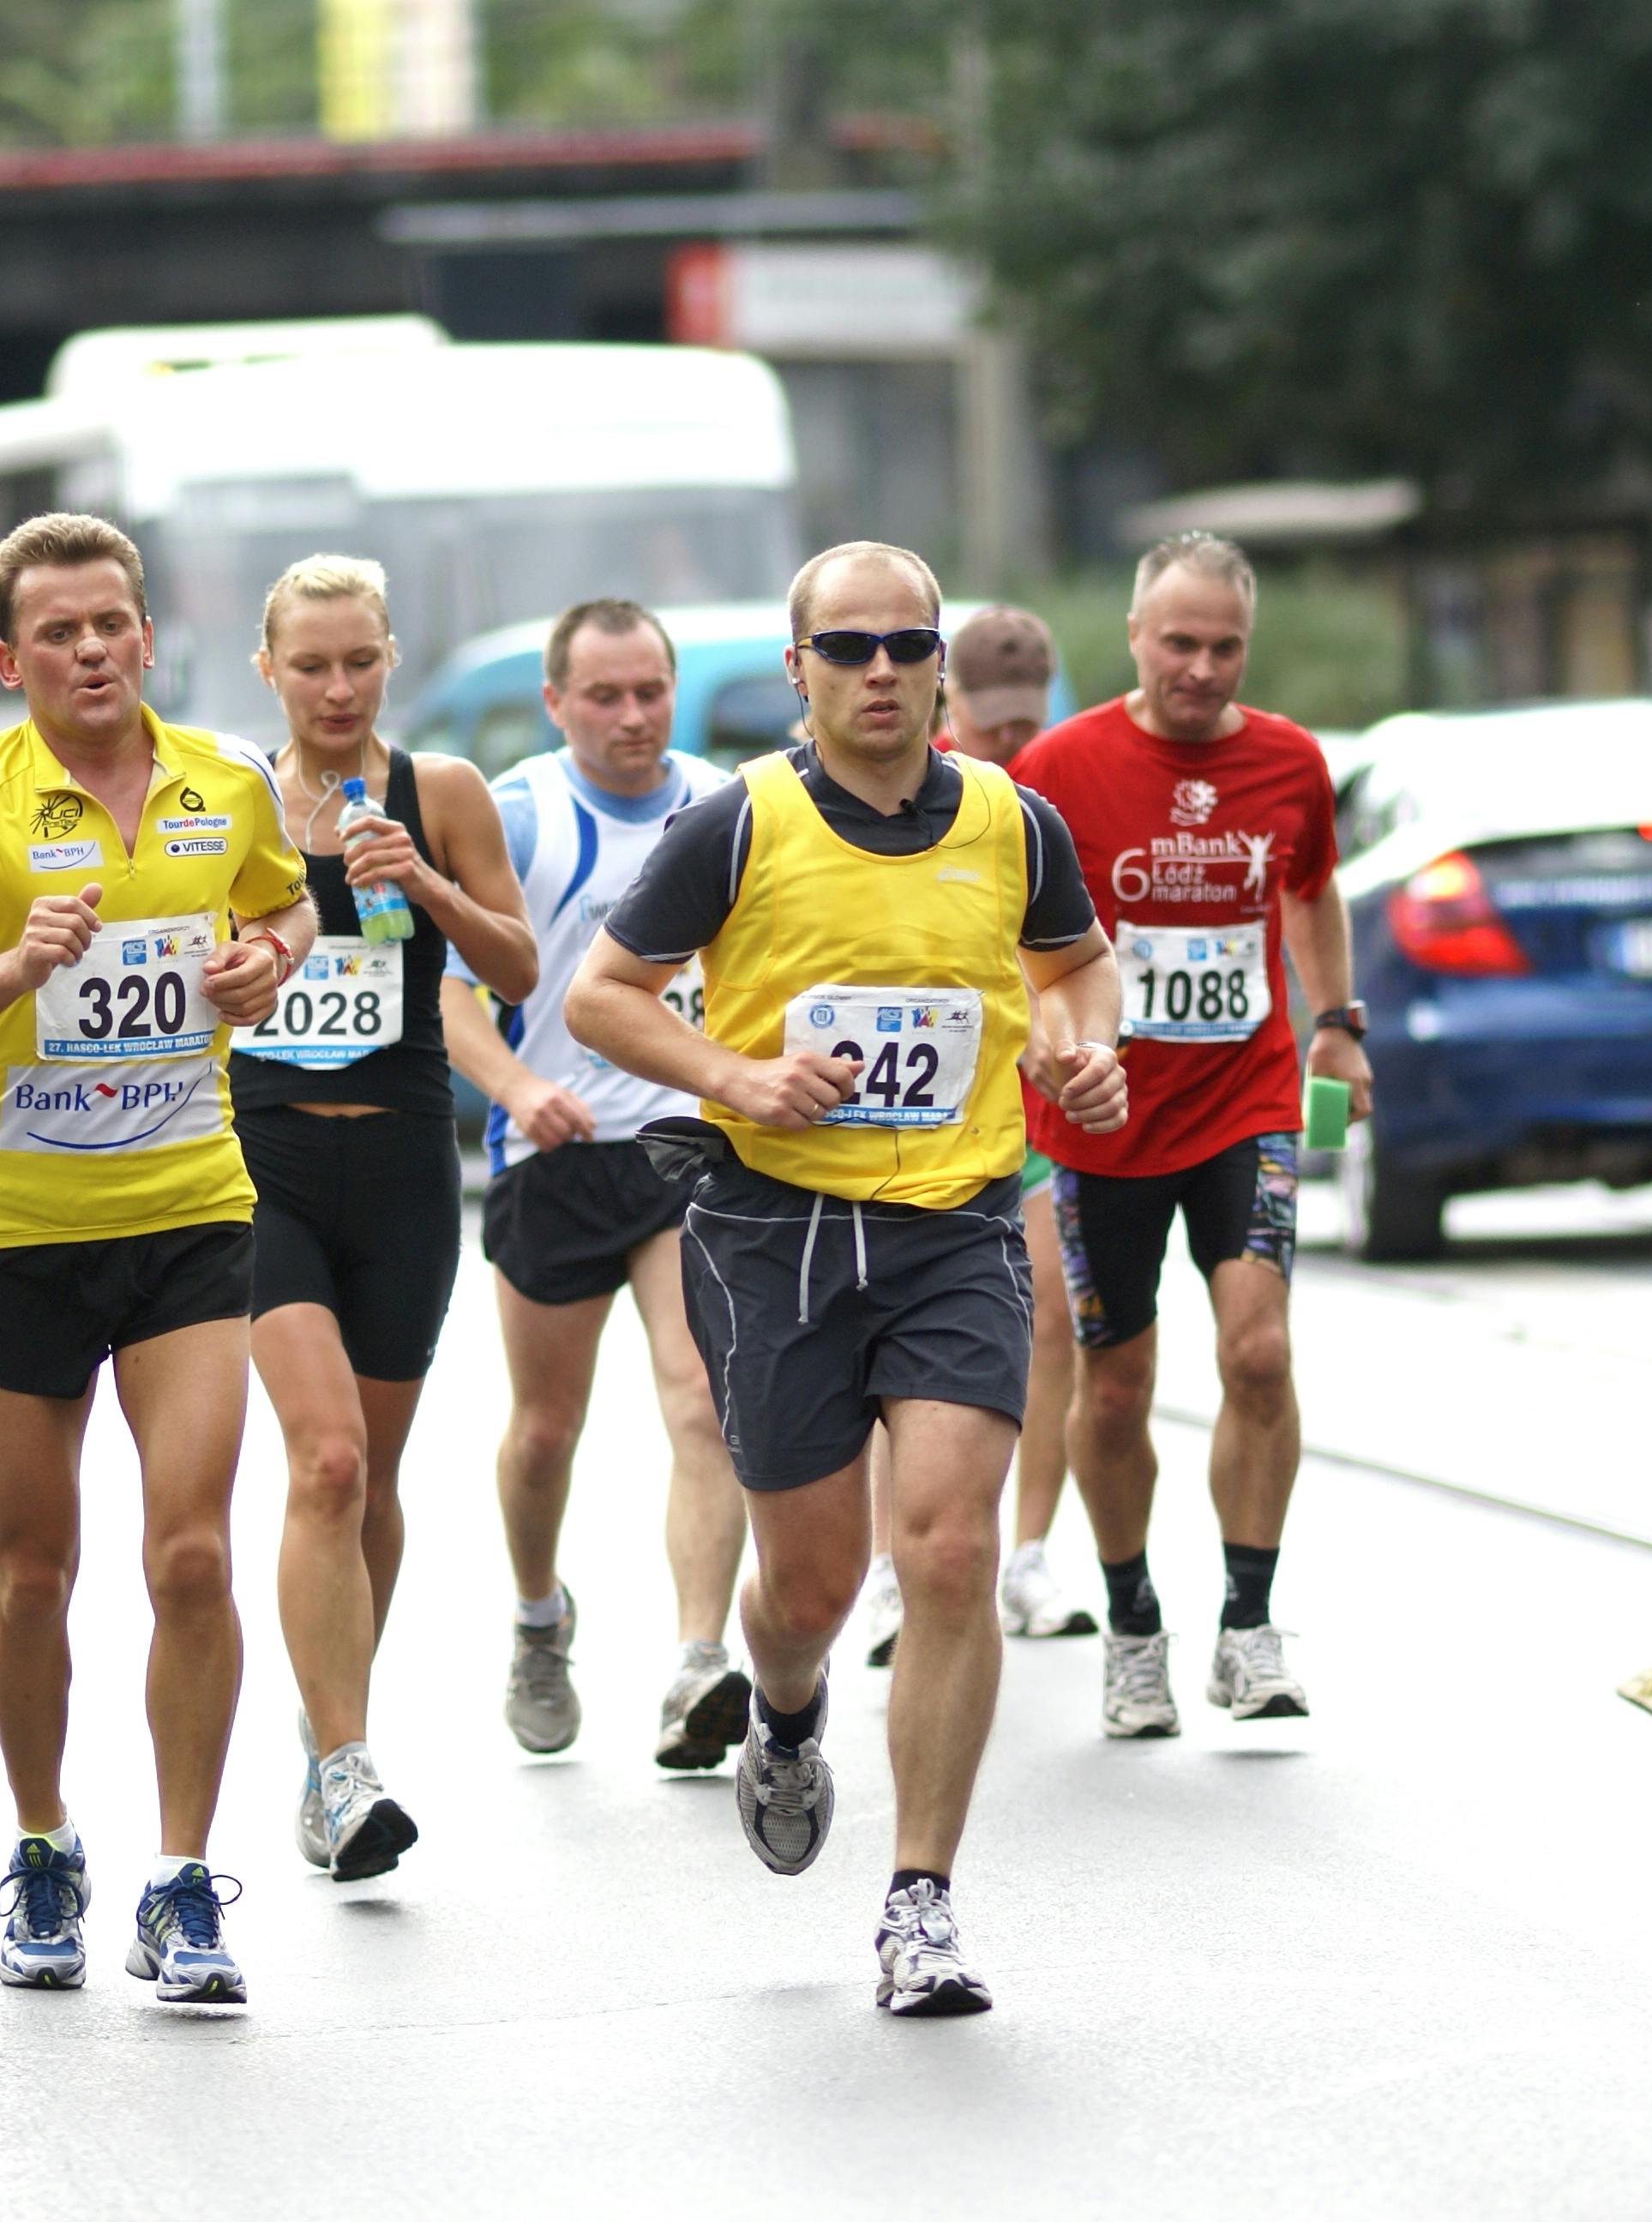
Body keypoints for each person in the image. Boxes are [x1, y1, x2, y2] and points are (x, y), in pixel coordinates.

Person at [565, 540, 1127, 2018]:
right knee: (806, 1587)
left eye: (905, 644)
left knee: (945, 1553)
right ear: (801, 670)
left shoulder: (1012, 819)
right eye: (848, 647)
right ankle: (789, 1710)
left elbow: (1076, 962)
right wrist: (735, 1074)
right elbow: (599, 995)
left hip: (955, 1224)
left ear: (941, 663)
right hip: (777, 1235)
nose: (880, 670)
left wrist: (1085, 1042)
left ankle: (920, 1901)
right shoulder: (734, 822)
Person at [0, 512, 316, 2002]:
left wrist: (275, 955)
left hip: (188, 1207)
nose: (90, 649)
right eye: (57, 632)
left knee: (190, 1549)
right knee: (31, 1568)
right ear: (10, 659)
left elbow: (283, 898)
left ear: (146, 633)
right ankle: (45, 1840)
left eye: (111, 622)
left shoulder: (225, 779)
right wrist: (16, 967)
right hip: (20, 1231)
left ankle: (183, 1883)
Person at [1006, 531, 1373, 1737]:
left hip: (1248, 1104)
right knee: (1114, 1393)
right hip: (1106, 1121)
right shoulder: (1062, 767)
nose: (1202, 670)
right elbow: (1015, 936)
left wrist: (1337, 1027)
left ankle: (1251, 1626)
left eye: (1225, 647)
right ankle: (1133, 1626)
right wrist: (1052, 1044)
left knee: (1259, 1353)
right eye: (1180, 644)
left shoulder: (1289, 763)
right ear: (1134, 638)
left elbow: (1311, 888)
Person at [230, 555, 534, 1883]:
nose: (338, 687)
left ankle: (326, 1723)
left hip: (405, 1164)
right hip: (260, 1164)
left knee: (377, 1481)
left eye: (359, 661)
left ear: (391, 657)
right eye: (312, 664)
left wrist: (433, 887)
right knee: (327, 1463)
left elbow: (520, 970)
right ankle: (350, 1770)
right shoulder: (223, 799)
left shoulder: (443, 793)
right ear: (268, 671)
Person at [438, 599, 750, 1770]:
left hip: (683, 1147)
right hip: (555, 1155)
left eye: (650, 693)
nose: (631, 716)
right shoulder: (521, 815)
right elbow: (450, 988)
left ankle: (696, 1662)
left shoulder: (726, 807)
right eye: (604, 696)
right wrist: (518, 1091)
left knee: (701, 1400)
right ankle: (537, 1619)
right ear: (557, 703)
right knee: (543, 1431)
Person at [846, 606, 1098, 1666]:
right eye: (989, 722)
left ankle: (1025, 1552)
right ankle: (892, 1566)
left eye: (1024, 721)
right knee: (875, 1346)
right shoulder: (913, 790)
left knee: (1050, 1325)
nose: (1007, 740)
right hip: (909, 1117)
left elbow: (1074, 954)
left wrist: (1078, 1041)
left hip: (1026, 1112)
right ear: (951, 703)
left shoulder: (1047, 795)